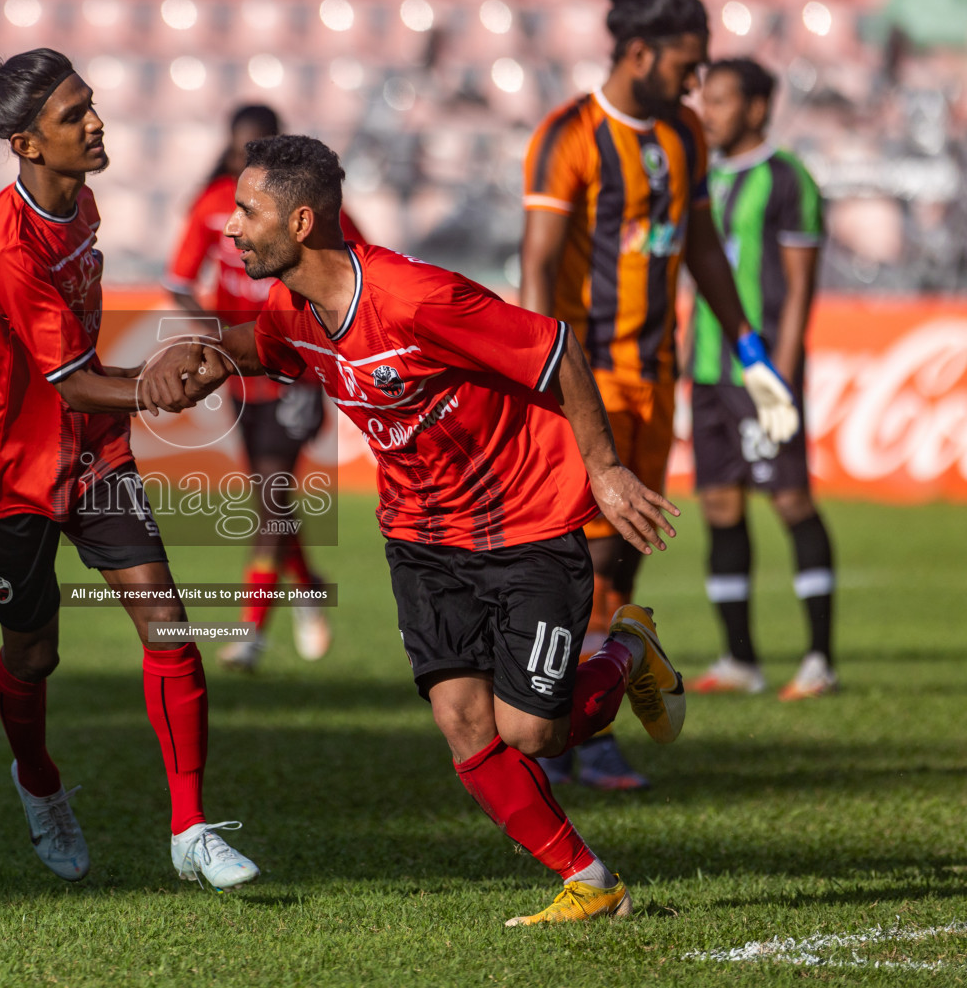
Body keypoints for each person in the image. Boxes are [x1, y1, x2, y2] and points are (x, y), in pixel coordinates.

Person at [155, 133, 694, 924]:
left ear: (301, 223)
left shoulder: (416, 298)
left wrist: (607, 470)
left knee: (534, 734)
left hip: (525, 523)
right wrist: (207, 357)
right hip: (420, 538)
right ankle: (590, 880)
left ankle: (627, 651)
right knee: (463, 720)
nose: (231, 229)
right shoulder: (294, 306)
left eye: (248, 211)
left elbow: (555, 352)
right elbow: (264, 346)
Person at [0, 48, 257, 890]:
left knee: (170, 627)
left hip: (89, 451)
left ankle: (191, 828)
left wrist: (165, 375)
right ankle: (38, 781)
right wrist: (159, 386)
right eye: (73, 114)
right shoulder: (7, 247)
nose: (96, 121)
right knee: (34, 653)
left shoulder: (80, 200)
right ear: (25, 144)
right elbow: (74, 376)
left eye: (92, 103)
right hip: (1, 469)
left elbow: (83, 377)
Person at [518, 0, 798, 789]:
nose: (699, 78)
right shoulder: (566, 135)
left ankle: (575, 718)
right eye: (689, 60)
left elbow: (701, 246)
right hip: (584, 378)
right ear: (640, 52)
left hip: (658, 372)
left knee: (623, 559)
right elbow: (538, 266)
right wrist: (542, 374)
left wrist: (749, 350)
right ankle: (579, 727)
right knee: (584, 556)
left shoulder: (684, 134)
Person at [163, 104, 364, 673]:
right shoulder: (212, 209)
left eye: (259, 148)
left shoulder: (303, 207)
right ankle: (307, 585)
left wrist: (326, 335)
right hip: (243, 372)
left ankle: (250, 631)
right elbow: (178, 282)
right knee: (269, 497)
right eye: (240, 149)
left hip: (297, 368)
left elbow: (359, 264)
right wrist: (220, 343)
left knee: (273, 490)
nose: (247, 158)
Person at [686, 58, 837, 700]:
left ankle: (820, 660)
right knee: (720, 505)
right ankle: (741, 659)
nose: (708, 112)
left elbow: (801, 287)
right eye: (705, 99)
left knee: (790, 500)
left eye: (720, 101)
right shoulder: (697, 177)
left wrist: (780, 372)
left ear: (755, 107)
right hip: (706, 369)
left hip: (763, 371)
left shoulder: (787, 178)